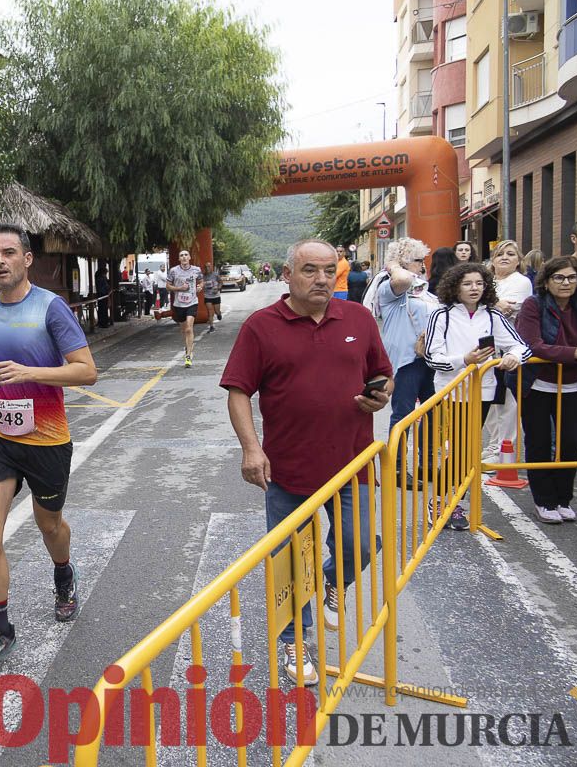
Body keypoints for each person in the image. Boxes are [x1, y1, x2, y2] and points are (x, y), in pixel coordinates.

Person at [222, 239, 392, 686]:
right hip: (288, 470)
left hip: (352, 464)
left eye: (329, 270)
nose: (321, 279)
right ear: (287, 274)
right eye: (310, 270)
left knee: (359, 545)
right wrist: (251, 448)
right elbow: (238, 391)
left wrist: (381, 395)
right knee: (290, 566)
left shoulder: (358, 318)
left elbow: (382, 373)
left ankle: (333, 580)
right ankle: (295, 640)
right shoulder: (261, 326)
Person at [0, 223, 97, 675]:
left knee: (49, 524)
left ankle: (63, 572)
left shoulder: (50, 307)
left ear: (27, 259)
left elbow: (86, 371)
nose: (0, 261)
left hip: (46, 439)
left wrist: (30, 373)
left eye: (8, 253)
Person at [424, 262, 531, 528]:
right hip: (451, 392)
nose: (474, 289)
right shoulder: (441, 315)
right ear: (455, 287)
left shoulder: (493, 315)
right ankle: (441, 502)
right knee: (461, 450)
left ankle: (450, 502)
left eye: (479, 283)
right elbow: (432, 357)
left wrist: (512, 357)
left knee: (467, 451)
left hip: (482, 391)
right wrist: (464, 359)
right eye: (467, 284)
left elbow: (521, 346)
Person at [516, 256, 577, 523]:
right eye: (559, 277)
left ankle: (563, 499)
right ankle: (544, 500)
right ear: (546, 280)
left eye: (572, 277)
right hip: (538, 383)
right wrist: (574, 353)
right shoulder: (534, 304)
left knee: (572, 443)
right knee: (539, 442)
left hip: (574, 385)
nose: (566, 283)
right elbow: (533, 345)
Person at [373, 238, 437, 486]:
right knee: (403, 414)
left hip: (429, 360)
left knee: (432, 413)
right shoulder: (390, 288)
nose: (423, 265)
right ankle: (397, 469)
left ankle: (427, 465)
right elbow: (401, 279)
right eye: (417, 260)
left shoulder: (423, 291)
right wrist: (392, 264)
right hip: (405, 361)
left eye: (423, 260)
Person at [481, 240, 534, 463]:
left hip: (507, 349)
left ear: (518, 260)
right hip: (486, 349)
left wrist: (489, 303)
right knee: (490, 401)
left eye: (511, 254)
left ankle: (505, 450)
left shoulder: (521, 282)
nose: (504, 257)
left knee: (507, 405)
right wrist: (494, 302)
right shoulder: (487, 280)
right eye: (500, 254)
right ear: (493, 259)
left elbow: (508, 309)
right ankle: (494, 444)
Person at [166, 249, 203, 367]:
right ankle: (188, 346)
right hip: (179, 304)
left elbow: (201, 281)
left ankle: (188, 355)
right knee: (183, 330)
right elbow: (168, 286)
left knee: (188, 328)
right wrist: (179, 289)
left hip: (192, 302)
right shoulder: (173, 271)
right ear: (179, 259)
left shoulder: (196, 270)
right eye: (181, 255)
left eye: (186, 255)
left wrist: (200, 287)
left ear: (189, 257)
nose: (184, 257)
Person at [202, 261, 222, 333]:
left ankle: (219, 314)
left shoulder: (215, 274)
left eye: (209, 266)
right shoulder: (203, 276)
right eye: (206, 267)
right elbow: (201, 284)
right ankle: (211, 326)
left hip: (216, 296)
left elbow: (220, 282)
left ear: (211, 267)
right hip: (207, 296)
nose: (207, 268)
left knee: (217, 311)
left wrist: (218, 288)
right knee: (210, 311)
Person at [94, 263, 111, 328]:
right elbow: (106, 287)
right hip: (103, 295)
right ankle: (104, 323)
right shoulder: (102, 278)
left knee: (101, 309)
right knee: (104, 309)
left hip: (100, 295)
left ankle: (101, 322)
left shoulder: (98, 277)